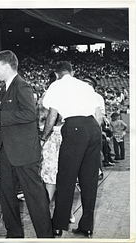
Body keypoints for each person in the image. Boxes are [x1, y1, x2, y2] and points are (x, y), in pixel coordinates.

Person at [0, 50, 53, 238]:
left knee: (34, 197)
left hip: (24, 152)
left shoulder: (22, 86)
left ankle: (45, 236)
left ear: (6, 67)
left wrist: (0, 115)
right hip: (7, 151)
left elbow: (29, 114)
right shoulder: (5, 88)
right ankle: (14, 234)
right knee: (7, 196)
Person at [41, 61, 102, 238]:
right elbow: (98, 115)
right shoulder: (85, 86)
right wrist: (91, 132)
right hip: (92, 128)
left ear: (57, 73)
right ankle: (87, 227)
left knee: (66, 178)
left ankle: (58, 225)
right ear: (72, 71)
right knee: (89, 179)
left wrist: (44, 137)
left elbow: (52, 115)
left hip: (74, 127)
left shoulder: (56, 85)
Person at [37, 71, 75, 223]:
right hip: (56, 136)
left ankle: (59, 212)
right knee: (56, 176)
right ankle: (51, 212)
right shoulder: (49, 97)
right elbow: (46, 119)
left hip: (55, 137)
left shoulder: (46, 97)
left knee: (53, 177)